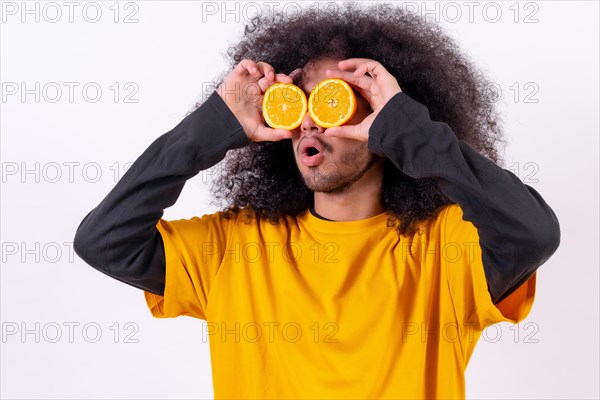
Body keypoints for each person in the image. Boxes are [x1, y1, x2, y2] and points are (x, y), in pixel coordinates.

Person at [73, 3, 560, 398]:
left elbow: (531, 233)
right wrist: (212, 127)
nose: (310, 119)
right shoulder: (231, 248)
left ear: (384, 118)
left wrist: (414, 134)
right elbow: (104, 241)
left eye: (335, 99)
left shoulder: (444, 250)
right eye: (299, 101)